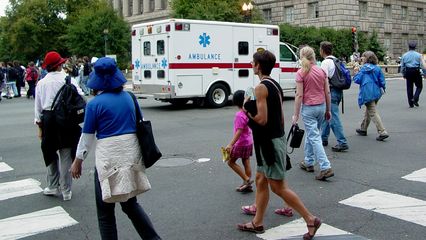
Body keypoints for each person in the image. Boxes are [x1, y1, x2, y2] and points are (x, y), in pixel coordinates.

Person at [70, 57, 161, 240]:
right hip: (130, 155)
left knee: (105, 214)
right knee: (130, 204)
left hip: (108, 159)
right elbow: (139, 123)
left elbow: (87, 138)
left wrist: (78, 161)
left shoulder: (94, 104)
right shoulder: (129, 97)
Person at [237, 50, 321, 240]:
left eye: (253, 62)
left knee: (278, 186)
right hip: (273, 140)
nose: (251, 64)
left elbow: (262, 119)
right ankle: (257, 223)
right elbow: (280, 117)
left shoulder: (260, 88)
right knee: (260, 179)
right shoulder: (275, 84)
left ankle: (310, 219)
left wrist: (246, 110)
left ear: (258, 66)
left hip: (269, 142)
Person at [34, 51, 84, 201]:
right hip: (66, 119)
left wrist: (40, 126)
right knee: (66, 154)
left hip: (48, 119)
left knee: (49, 153)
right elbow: (80, 96)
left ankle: (52, 185)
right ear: (59, 65)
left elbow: (38, 108)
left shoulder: (41, 83)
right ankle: (66, 190)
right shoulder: (68, 80)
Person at [293, 46, 334, 181]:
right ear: (314, 56)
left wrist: (296, 114)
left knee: (314, 136)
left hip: (309, 108)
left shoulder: (301, 73)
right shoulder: (321, 71)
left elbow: (299, 95)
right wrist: (328, 110)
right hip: (321, 106)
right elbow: (327, 92)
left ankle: (325, 166)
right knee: (313, 134)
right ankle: (308, 161)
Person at [319, 41, 349, 152]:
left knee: (332, 117)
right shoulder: (337, 60)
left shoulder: (325, 62)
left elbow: (323, 78)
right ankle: (323, 138)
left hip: (330, 91)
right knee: (327, 115)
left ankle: (342, 142)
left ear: (322, 50)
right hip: (338, 91)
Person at [353, 51, 389, 141]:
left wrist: (356, 72)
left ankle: (382, 131)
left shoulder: (363, 69)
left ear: (366, 59)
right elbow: (382, 81)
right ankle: (363, 128)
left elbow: (357, 80)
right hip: (376, 92)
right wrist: (382, 88)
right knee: (369, 111)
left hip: (367, 92)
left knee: (372, 111)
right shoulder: (377, 68)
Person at [225, 90, 254, 192]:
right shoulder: (248, 112)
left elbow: (239, 132)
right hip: (249, 141)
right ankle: (247, 184)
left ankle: (246, 180)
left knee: (230, 162)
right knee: (246, 161)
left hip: (241, 143)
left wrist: (230, 144)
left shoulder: (239, 115)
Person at [401, 41, 426, 108]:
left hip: (408, 71)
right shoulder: (419, 55)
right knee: (419, 86)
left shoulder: (404, 55)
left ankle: (411, 103)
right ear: (415, 47)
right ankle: (415, 98)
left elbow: (402, 66)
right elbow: (423, 65)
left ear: (409, 47)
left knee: (409, 87)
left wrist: (403, 73)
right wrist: (424, 73)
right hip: (416, 71)